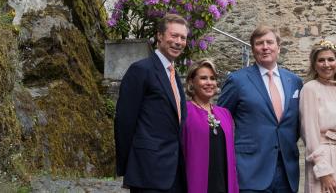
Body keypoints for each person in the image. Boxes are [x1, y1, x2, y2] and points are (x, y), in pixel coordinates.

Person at [217, 25, 303, 193]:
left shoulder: (294, 81)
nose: (265, 47)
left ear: (278, 47)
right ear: (253, 48)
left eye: (270, 42)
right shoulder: (237, 81)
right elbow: (221, 122)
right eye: (259, 43)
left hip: (287, 170)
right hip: (250, 170)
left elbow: (297, 123)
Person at [114, 13, 189, 193]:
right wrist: (129, 169)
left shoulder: (174, 75)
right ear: (160, 36)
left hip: (174, 172)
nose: (178, 41)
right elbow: (124, 122)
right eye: (174, 35)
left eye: (183, 37)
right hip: (147, 173)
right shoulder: (141, 70)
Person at [299, 40, 336, 193]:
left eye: (330, 59)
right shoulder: (310, 89)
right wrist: (323, 170)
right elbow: (309, 132)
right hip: (325, 156)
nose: (327, 64)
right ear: (314, 64)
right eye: (321, 60)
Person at [182, 58, 239, 193]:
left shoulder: (225, 114)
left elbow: (231, 157)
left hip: (224, 185)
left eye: (212, 78)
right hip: (195, 184)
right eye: (203, 78)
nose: (209, 83)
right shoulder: (184, 112)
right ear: (191, 82)